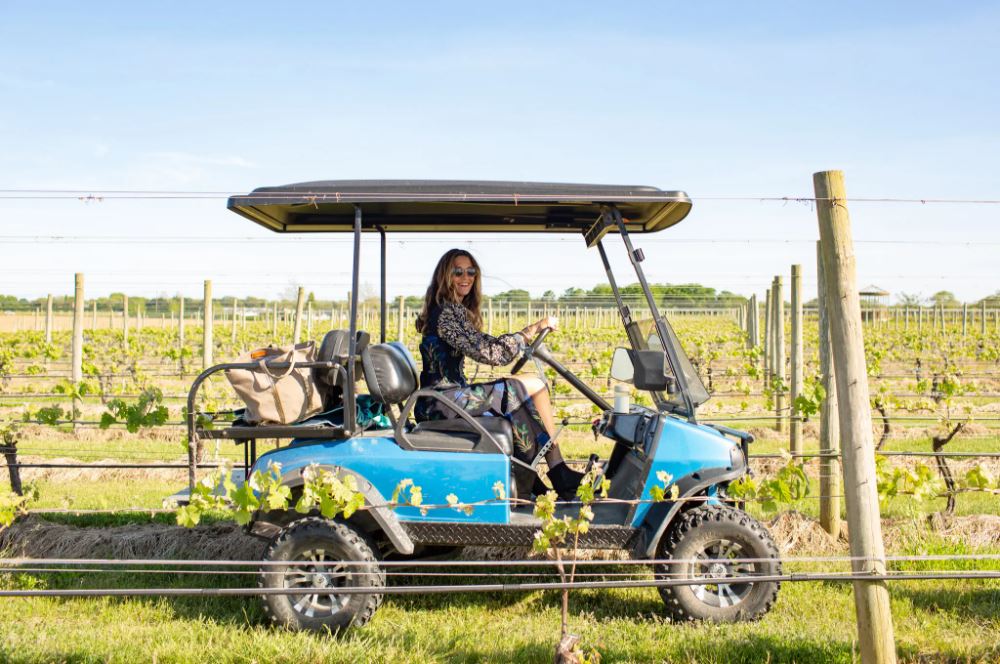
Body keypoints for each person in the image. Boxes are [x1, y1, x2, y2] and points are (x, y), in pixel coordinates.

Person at [414, 248, 584, 500]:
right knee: (515, 388)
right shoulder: (447, 313)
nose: (466, 277)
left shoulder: (449, 310)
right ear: (445, 276)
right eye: (457, 271)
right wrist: (531, 330)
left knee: (530, 384)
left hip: (447, 396)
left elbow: (488, 347)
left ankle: (544, 471)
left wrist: (523, 337)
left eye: (471, 271)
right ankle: (549, 472)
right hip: (441, 401)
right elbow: (492, 354)